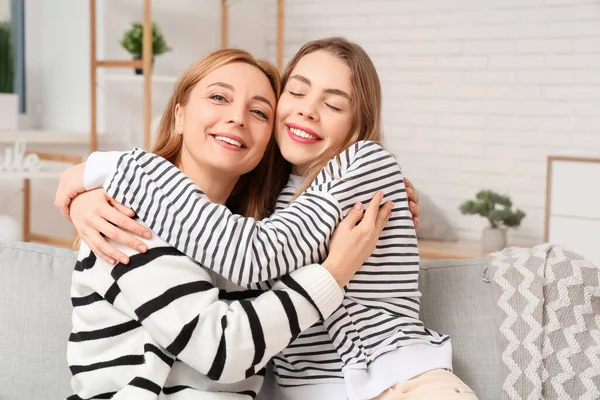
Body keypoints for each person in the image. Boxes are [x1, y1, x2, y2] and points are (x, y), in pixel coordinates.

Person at [57, 38, 477, 399]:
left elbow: (256, 260)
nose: (238, 117)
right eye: (218, 97)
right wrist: (102, 177)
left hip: (401, 381)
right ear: (180, 113)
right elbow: (224, 343)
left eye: (259, 111)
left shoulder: (258, 219)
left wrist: (105, 173)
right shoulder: (127, 216)